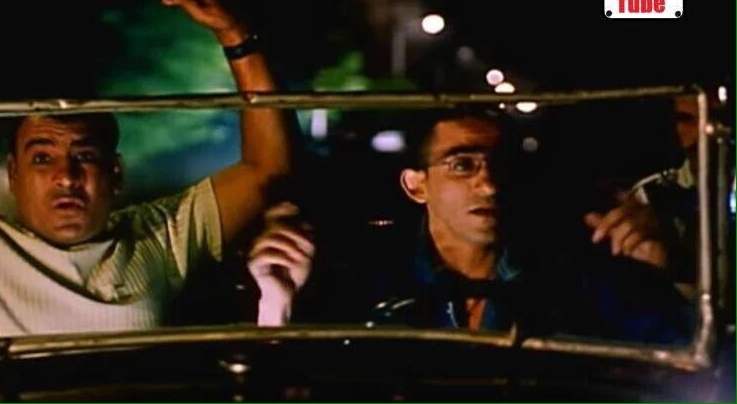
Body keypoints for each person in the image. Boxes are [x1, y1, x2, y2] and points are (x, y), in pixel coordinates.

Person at [0, 0, 296, 349]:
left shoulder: (160, 238)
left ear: (115, 173)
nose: (66, 177)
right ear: (13, 173)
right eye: (42, 159)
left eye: (84, 156)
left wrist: (239, 38)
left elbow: (267, 168)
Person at [248, 109, 692, 343]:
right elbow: (292, 379)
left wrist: (662, 275)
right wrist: (275, 304)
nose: (490, 185)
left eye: (501, 166)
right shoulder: (364, 276)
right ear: (416, 185)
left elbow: (682, 368)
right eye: (462, 165)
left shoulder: (574, 276)